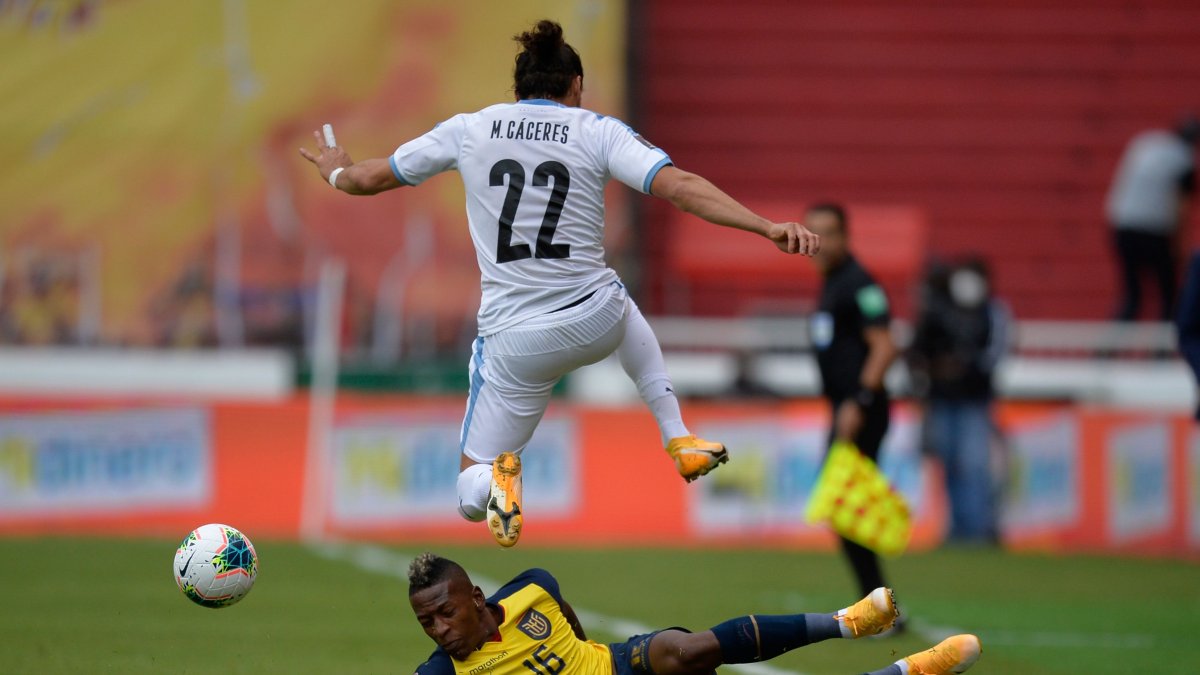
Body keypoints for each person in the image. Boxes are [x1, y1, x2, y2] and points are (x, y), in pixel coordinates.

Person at [299, 20, 820, 547]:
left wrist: (336, 171)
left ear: (517, 89)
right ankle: (677, 435)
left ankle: (498, 478)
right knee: (618, 297)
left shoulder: (470, 129)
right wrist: (765, 226)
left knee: (466, 492)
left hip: (516, 342)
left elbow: (368, 180)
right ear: (574, 85)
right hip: (595, 316)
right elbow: (680, 188)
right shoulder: (598, 130)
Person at [407, 552, 982, 675]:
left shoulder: (529, 588)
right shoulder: (441, 672)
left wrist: (587, 652)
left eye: (444, 614)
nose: (440, 631)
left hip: (615, 666)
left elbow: (558, 605)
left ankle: (850, 621)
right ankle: (906, 672)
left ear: (476, 598)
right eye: (427, 624)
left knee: (685, 649)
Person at [804, 203, 901, 605]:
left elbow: (885, 345)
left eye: (828, 232)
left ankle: (878, 606)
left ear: (846, 236)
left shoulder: (859, 284)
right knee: (845, 508)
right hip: (847, 406)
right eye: (813, 233)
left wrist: (858, 401)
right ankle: (876, 603)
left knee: (846, 507)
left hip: (860, 409)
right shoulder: (833, 283)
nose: (819, 243)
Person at [908, 259, 1011, 544]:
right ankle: (958, 529)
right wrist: (932, 371)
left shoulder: (992, 312)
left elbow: (993, 355)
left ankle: (980, 529)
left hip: (975, 400)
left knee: (975, 465)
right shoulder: (938, 311)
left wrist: (963, 366)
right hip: (942, 399)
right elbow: (918, 350)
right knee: (951, 464)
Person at [1106, 114, 1198, 321]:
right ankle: (1161, 351)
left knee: (1132, 296)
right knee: (1169, 297)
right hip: (1154, 230)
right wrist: (1180, 247)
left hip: (1122, 224)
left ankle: (1106, 350)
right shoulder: (1184, 160)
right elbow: (1181, 208)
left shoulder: (1145, 143)